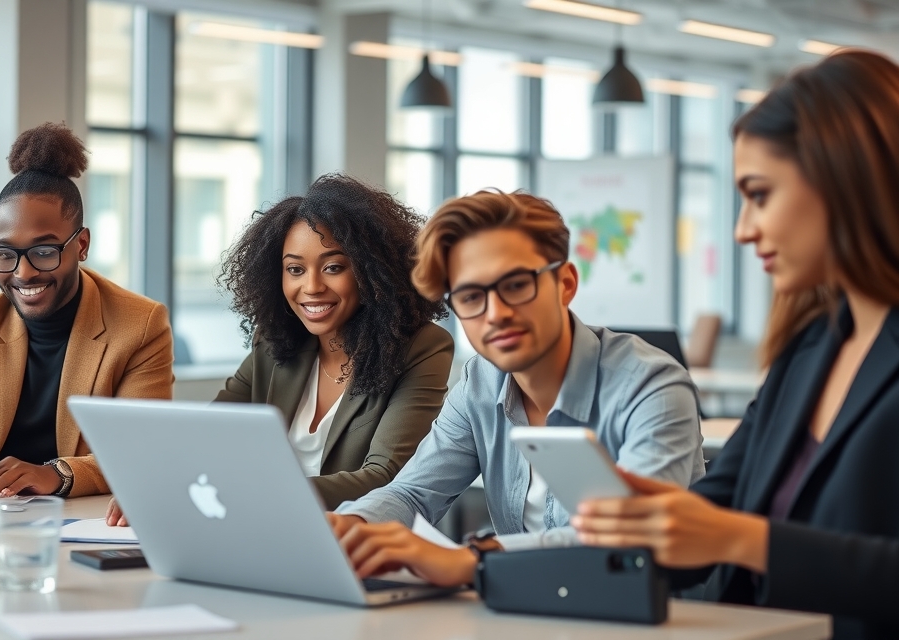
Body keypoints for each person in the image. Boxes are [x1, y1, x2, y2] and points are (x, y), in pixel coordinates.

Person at [571, 50, 899, 639]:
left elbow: (739, 534)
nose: (744, 229)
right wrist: (652, 519)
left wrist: (744, 540)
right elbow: (717, 512)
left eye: (760, 195)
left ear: (844, 181)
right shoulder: (811, 349)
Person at [327, 189, 705, 587]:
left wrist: (474, 560)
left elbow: (635, 539)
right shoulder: (480, 384)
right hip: (520, 615)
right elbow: (412, 494)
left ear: (565, 283)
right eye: (471, 297)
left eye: (516, 285)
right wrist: (351, 525)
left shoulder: (651, 387)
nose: (496, 314)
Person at [105, 173, 453, 525]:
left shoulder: (422, 349)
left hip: (352, 539)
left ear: (372, 271)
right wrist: (154, 483)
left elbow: (385, 476)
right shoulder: (274, 342)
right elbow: (208, 435)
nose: (311, 286)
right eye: (295, 269)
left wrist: (255, 493)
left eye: (333, 267)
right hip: (255, 528)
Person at [0, 122, 173, 502]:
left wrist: (54, 475)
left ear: (82, 244)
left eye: (43, 252)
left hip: (79, 523)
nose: (23, 273)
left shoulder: (139, 325)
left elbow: (143, 453)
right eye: (5, 254)